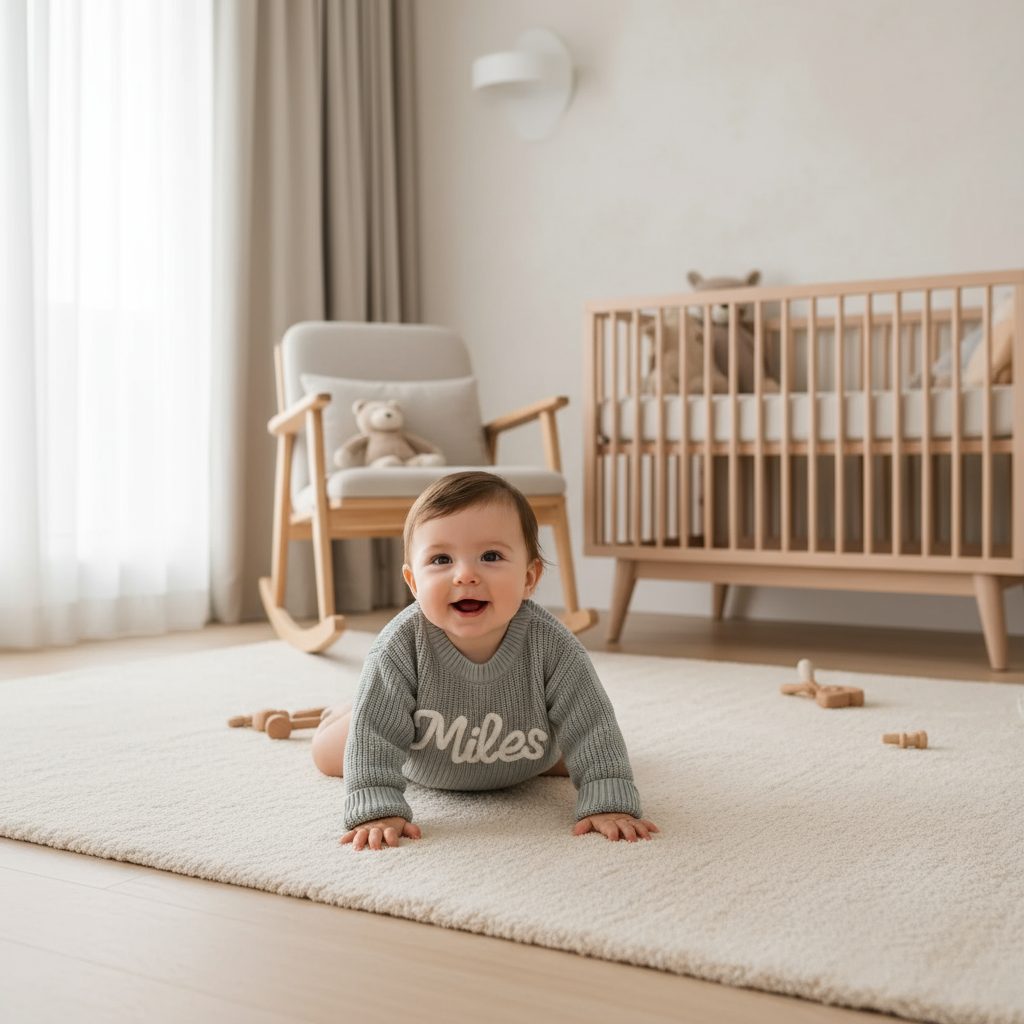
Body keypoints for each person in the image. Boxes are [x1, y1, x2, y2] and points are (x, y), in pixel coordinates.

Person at [312, 470, 658, 851]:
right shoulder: (399, 648)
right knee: (334, 752)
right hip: (421, 756)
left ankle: (368, 705)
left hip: (524, 753)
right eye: (442, 559)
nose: (465, 575)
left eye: (490, 556)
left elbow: (591, 722)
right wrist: (376, 806)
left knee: (586, 746)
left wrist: (608, 797)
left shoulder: (553, 645)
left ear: (529, 578)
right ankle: (352, 708)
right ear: (413, 583)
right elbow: (376, 736)